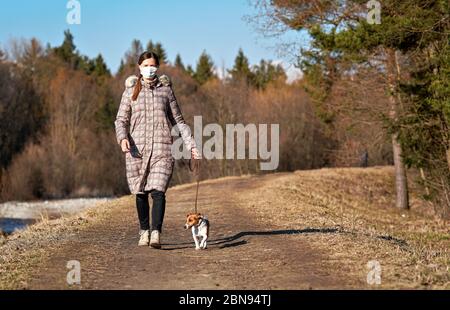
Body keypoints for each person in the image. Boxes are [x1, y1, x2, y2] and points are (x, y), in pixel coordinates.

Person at [115, 51, 200, 249]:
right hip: (137, 150)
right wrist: (122, 138)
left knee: (158, 191)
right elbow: (121, 120)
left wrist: (191, 146)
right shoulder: (130, 92)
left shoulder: (166, 91)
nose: (149, 69)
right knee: (140, 192)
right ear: (139, 67)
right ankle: (144, 231)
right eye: (146, 65)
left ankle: (156, 233)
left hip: (163, 150)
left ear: (157, 67)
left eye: (153, 65)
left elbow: (178, 121)